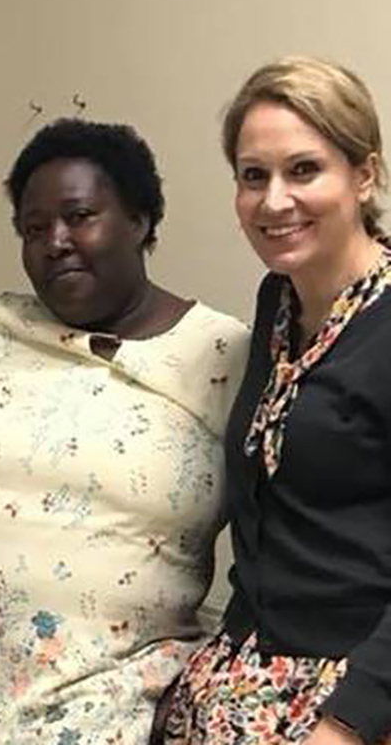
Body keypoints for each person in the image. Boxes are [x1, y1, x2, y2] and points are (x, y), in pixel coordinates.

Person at [0, 118, 249, 745]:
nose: (55, 242)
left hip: (101, 709)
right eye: (34, 229)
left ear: (140, 220)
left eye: (79, 216)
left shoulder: (225, 358)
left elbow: (277, 533)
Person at [162, 56, 391, 745]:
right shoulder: (279, 302)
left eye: (304, 170)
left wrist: (347, 724)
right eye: (253, 175)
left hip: (356, 696)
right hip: (247, 672)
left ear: (364, 175)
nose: (274, 201)